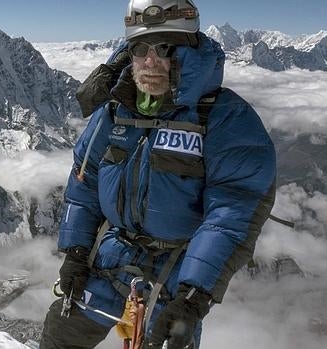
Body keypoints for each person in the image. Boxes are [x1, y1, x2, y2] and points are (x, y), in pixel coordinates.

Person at [40, 0, 276, 348]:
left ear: (186, 52)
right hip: (113, 256)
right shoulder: (114, 111)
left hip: (179, 271)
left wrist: (194, 296)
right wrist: (76, 252)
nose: (149, 61)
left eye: (164, 49)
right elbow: (85, 184)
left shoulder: (226, 118)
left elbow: (231, 213)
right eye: (139, 49)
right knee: (60, 337)